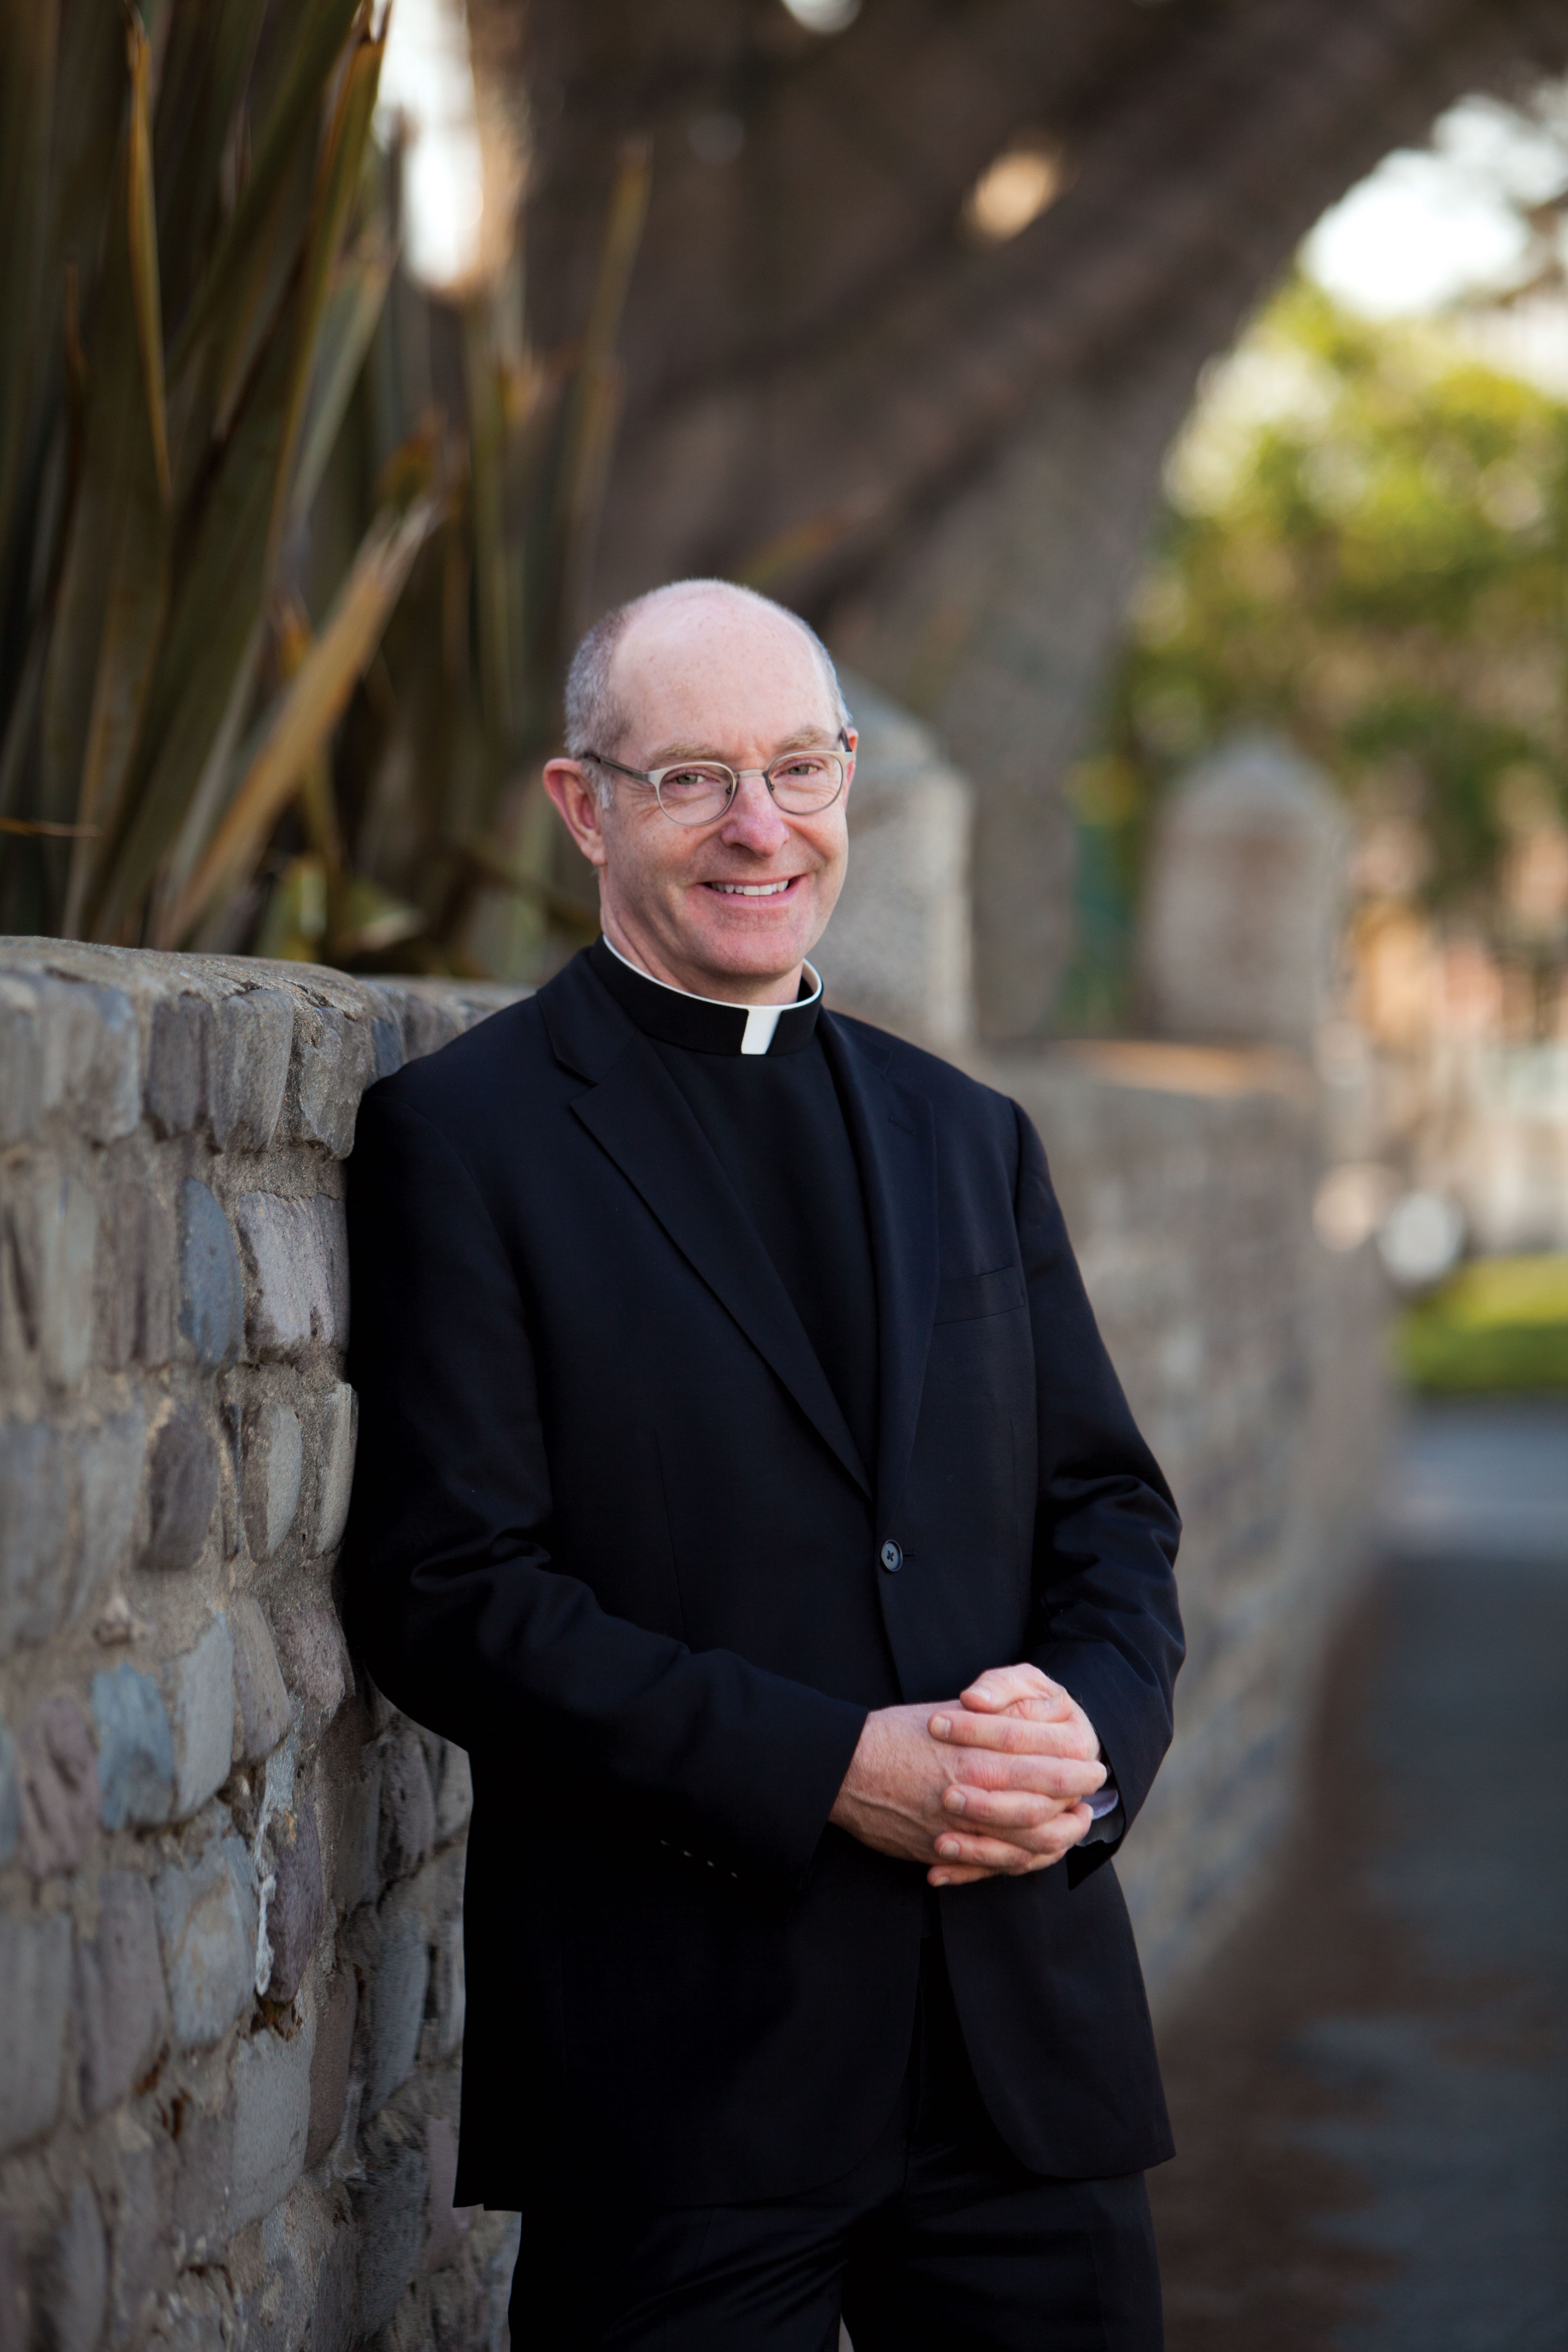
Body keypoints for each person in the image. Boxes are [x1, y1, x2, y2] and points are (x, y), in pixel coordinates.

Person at [342, 579, 1184, 2350]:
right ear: (583, 805)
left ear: (851, 779)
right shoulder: (469, 1140)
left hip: (1022, 2070)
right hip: (685, 2093)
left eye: (800, 770)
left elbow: (1106, 1510)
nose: (761, 828)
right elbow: (449, 1595)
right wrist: (826, 1769)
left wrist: (1086, 1740)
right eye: (693, 780)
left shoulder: (971, 1139)